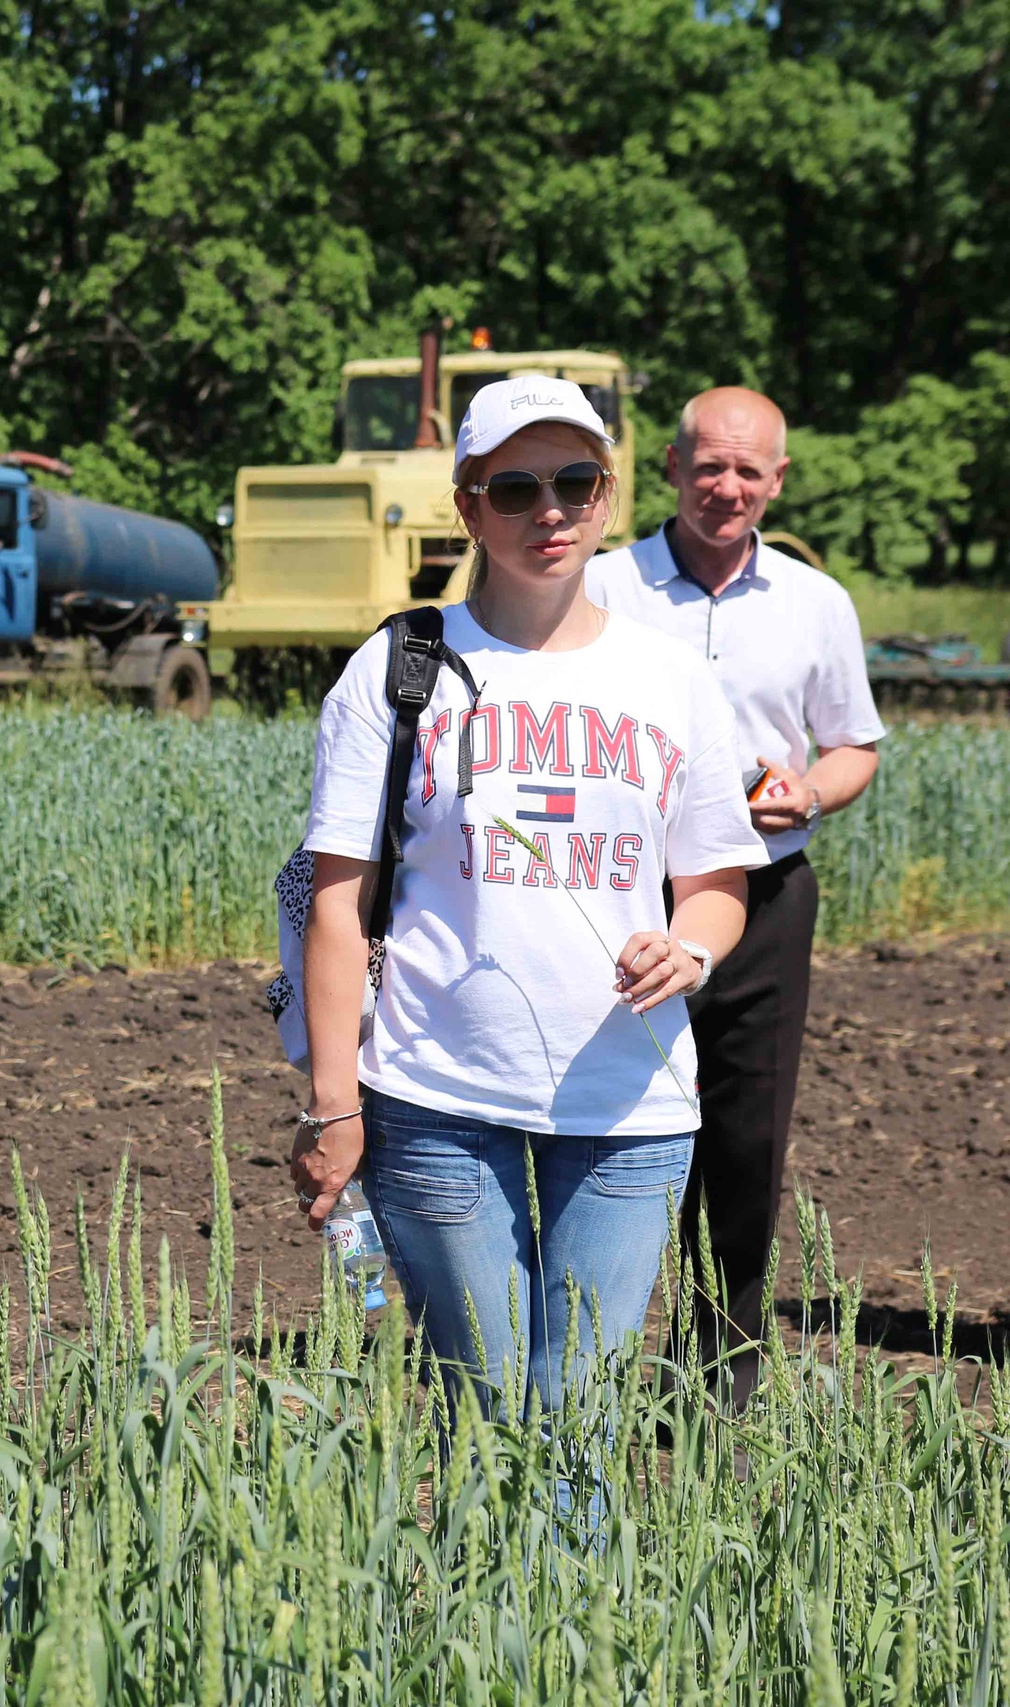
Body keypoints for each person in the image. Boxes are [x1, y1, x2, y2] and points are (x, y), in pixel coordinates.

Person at [289, 377, 767, 1417]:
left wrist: (689, 949)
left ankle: (576, 1589)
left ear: (606, 495)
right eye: (512, 488)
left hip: (632, 1106)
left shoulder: (671, 677)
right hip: (437, 1098)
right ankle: (487, 1589)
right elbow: (333, 901)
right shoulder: (398, 667)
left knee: (583, 1417)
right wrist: (332, 1105)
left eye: (574, 481)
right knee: (493, 1411)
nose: (547, 510)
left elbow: (717, 883)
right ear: (466, 505)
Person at [585, 386, 885, 1406]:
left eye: (747, 471)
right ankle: (592, 1346)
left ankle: (723, 1365)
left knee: (745, 1135)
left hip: (764, 900)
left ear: (778, 481)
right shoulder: (600, 586)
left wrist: (812, 790)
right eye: (708, 466)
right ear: (669, 468)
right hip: (625, 901)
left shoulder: (816, 603)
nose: (726, 487)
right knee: (613, 1123)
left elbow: (853, 747)